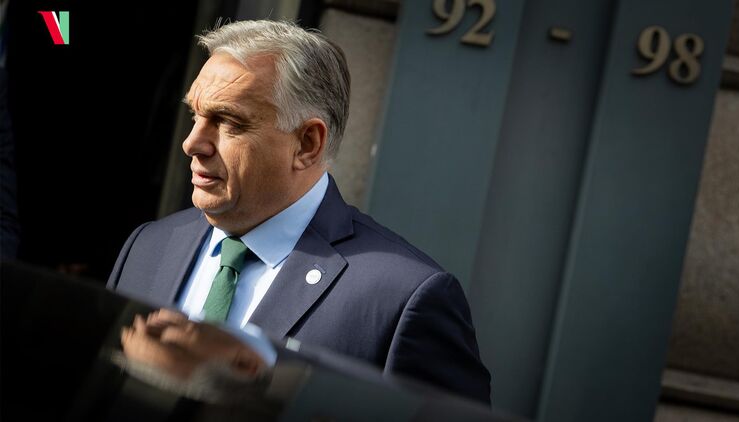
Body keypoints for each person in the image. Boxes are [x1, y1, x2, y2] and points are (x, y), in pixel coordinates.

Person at [108, 19, 491, 404]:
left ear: (307, 143)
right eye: (195, 115)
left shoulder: (404, 297)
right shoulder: (148, 245)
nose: (192, 143)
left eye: (228, 121)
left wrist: (256, 380)